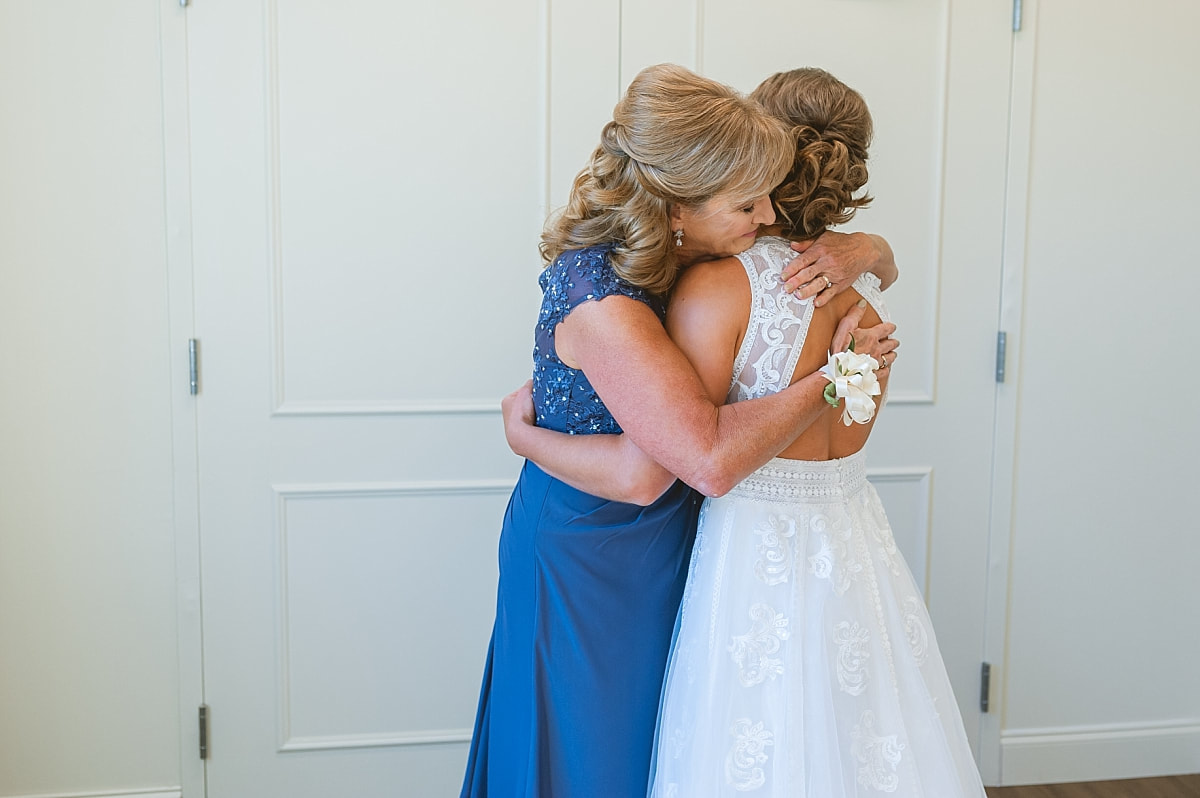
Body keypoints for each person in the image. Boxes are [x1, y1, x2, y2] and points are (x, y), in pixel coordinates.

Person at [504, 68, 987, 796]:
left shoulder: (710, 273)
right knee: (597, 750)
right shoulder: (618, 296)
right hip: (598, 542)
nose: (762, 214)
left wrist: (872, 248)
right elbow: (674, 467)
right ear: (677, 206)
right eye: (744, 200)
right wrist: (833, 372)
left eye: (768, 192)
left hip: (695, 536)